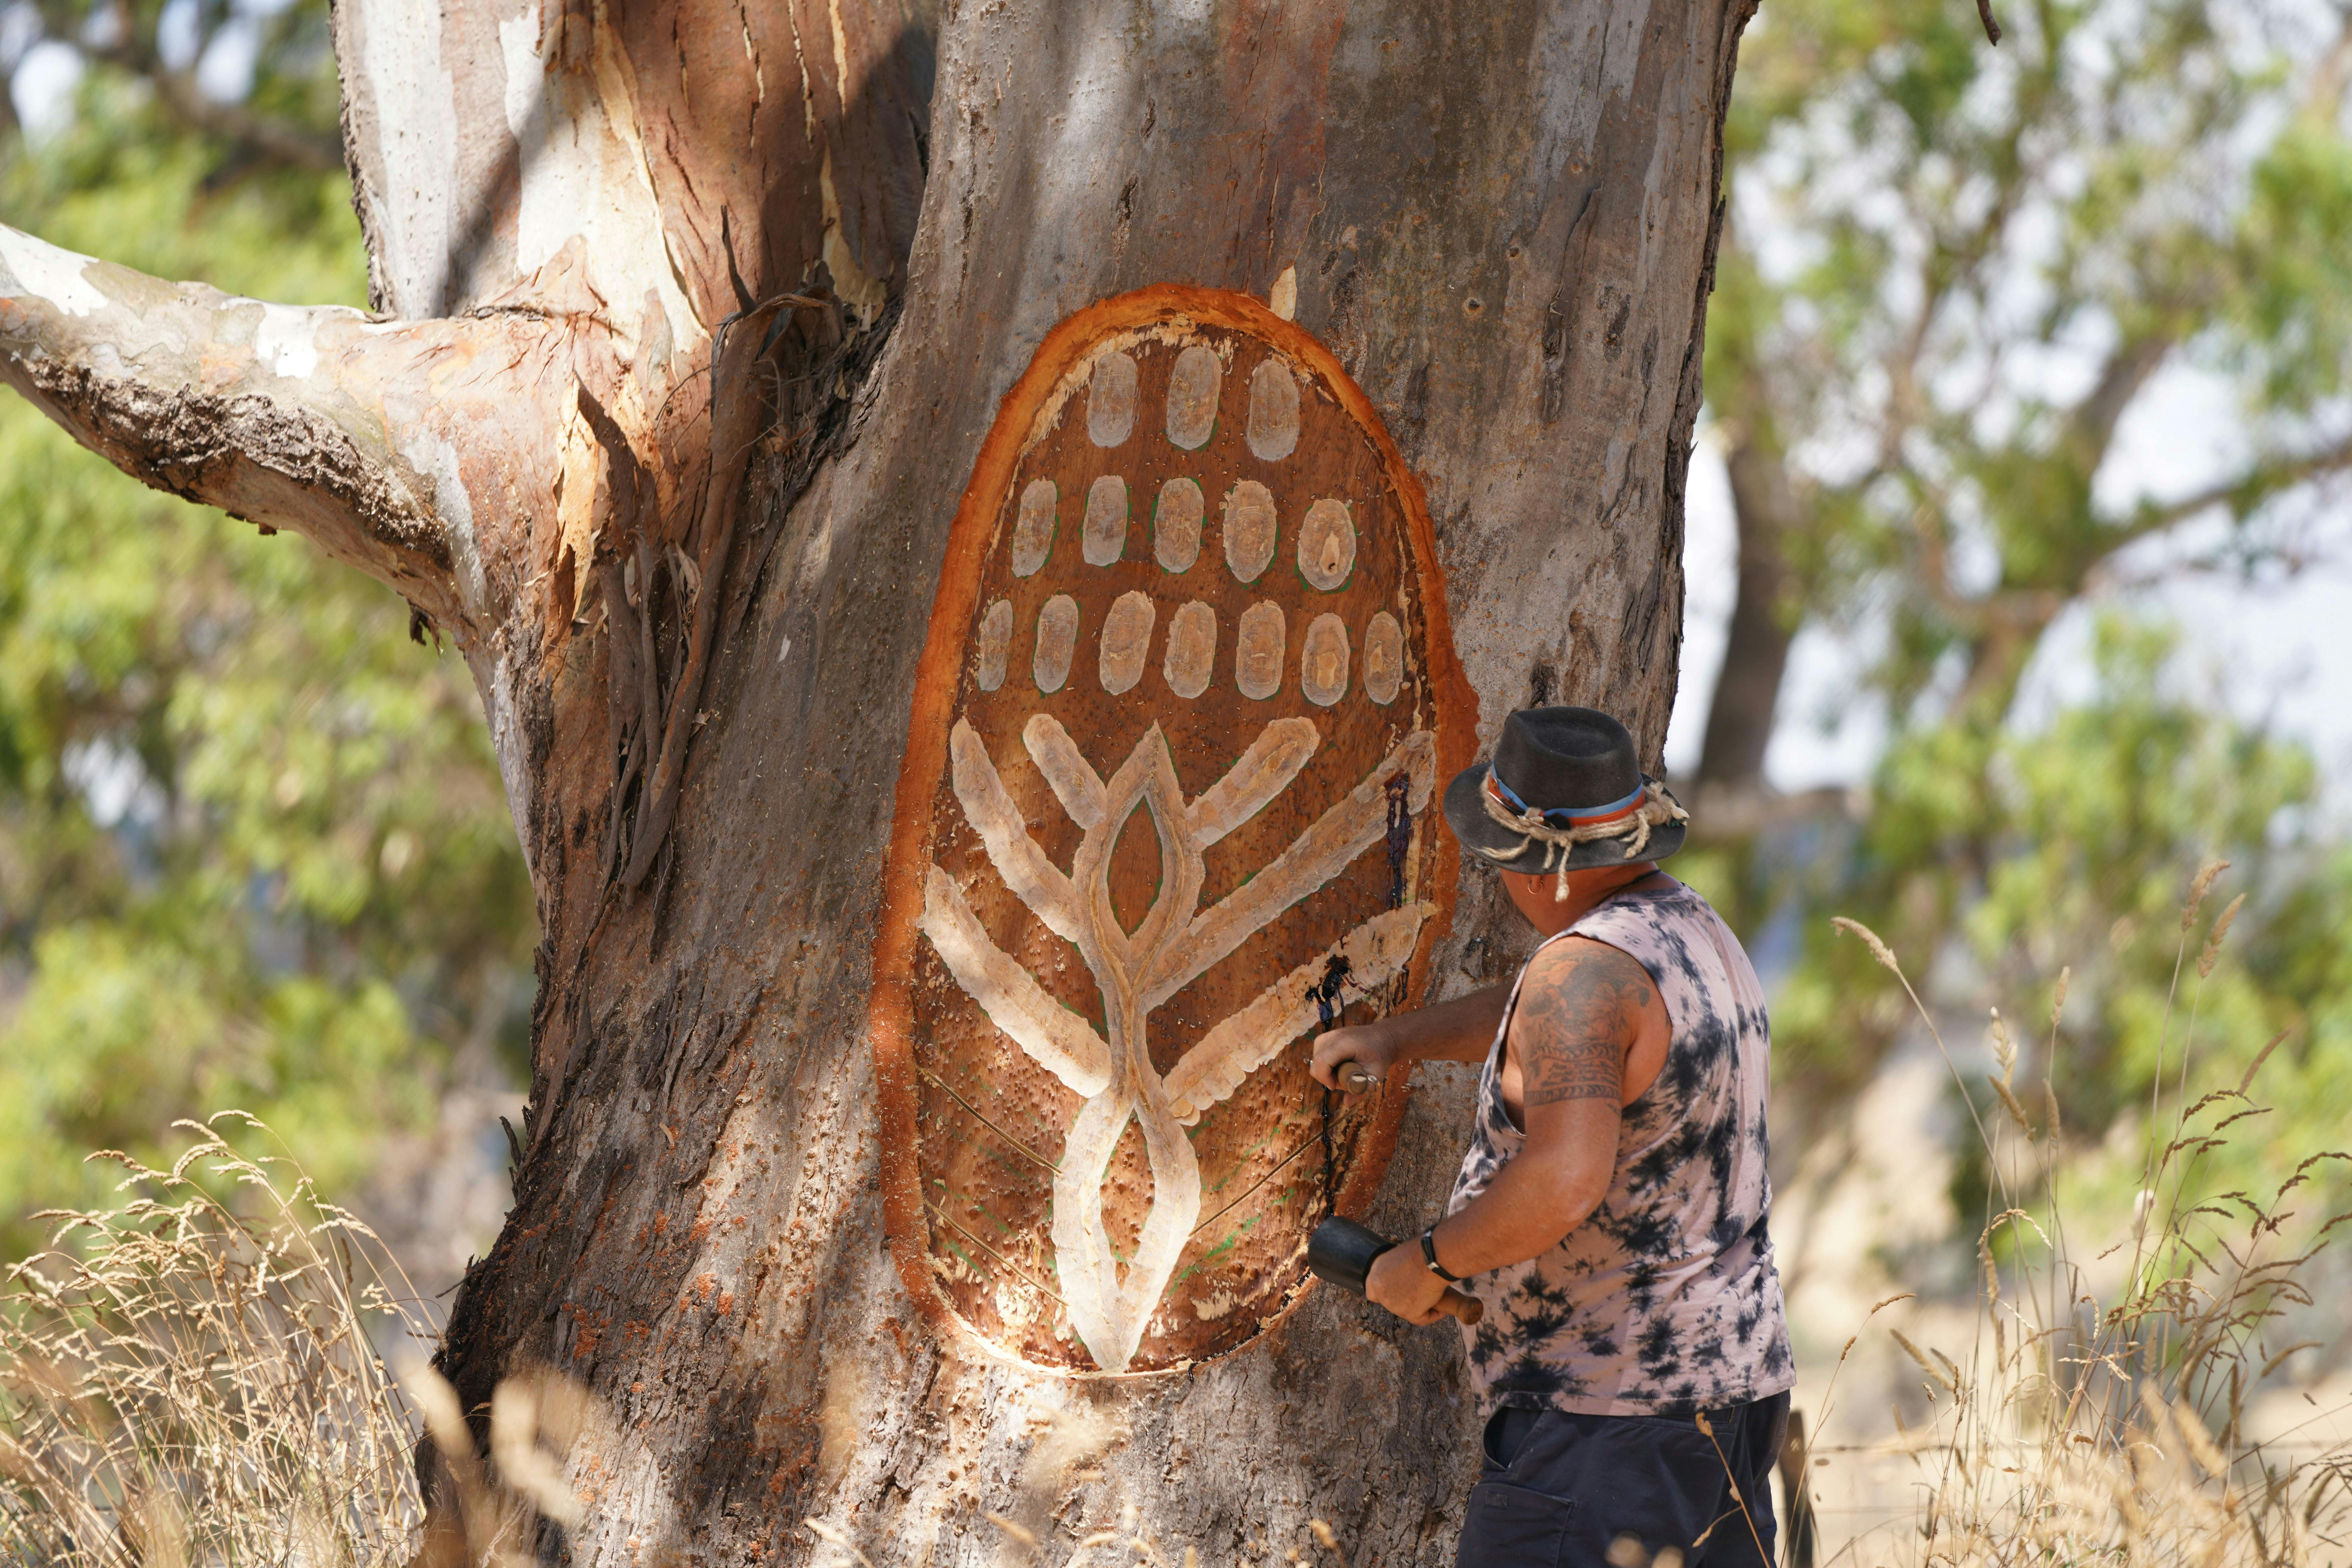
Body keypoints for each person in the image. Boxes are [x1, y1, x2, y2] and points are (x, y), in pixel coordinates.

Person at [1312, 706, 1794, 1568]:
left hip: (1607, 1434)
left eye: (1509, 859)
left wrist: (1426, 1263)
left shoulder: (1579, 973)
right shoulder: (1687, 934)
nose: (1506, 877)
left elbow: (1567, 1177)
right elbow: (1564, 1023)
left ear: (1554, 870)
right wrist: (1399, 1039)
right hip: (1729, 1405)